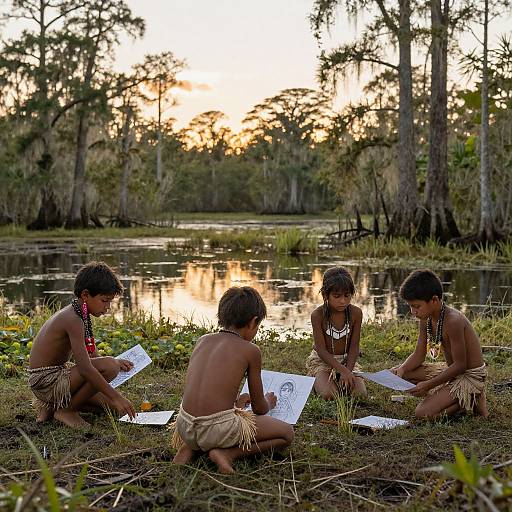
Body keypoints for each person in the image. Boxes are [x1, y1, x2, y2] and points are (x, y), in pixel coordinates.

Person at [171, 286, 294, 474]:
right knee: (287, 434)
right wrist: (268, 401)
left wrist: (237, 403)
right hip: (217, 428)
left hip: (184, 425)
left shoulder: (202, 340)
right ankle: (228, 454)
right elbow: (260, 409)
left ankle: (190, 447)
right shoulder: (250, 350)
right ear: (253, 322)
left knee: (205, 427)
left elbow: (211, 394)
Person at [28, 261, 136, 428]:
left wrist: (114, 363)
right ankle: (66, 411)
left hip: (57, 376)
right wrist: (116, 396)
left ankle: (51, 408)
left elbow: (91, 354)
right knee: (110, 370)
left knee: (109, 406)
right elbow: (85, 368)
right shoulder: (73, 319)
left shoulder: (82, 313)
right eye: (104, 300)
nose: (108, 307)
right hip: (47, 382)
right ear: (85, 295)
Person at [393, 269, 488, 419]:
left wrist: (428, 385)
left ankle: (469, 399)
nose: (413, 312)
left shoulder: (453, 321)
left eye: (417, 306)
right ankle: (453, 396)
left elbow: (461, 365)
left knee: (422, 413)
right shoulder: (426, 319)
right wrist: (402, 369)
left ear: (434, 300)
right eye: (410, 306)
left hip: (468, 376)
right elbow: (419, 354)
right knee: (398, 373)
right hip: (451, 370)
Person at [306, 266, 367, 399]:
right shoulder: (318, 315)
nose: (343, 301)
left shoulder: (356, 313)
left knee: (359, 395)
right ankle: (317, 379)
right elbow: (321, 350)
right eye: (337, 296)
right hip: (323, 361)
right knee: (329, 395)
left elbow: (354, 347)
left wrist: (348, 371)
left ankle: (339, 379)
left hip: (347, 360)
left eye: (347, 295)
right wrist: (342, 370)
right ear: (325, 295)